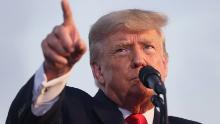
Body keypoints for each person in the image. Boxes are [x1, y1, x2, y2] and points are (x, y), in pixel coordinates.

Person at [6, 0, 201, 124]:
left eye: (148, 47)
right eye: (122, 49)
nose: (139, 60)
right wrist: (54, 70)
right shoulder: (68, 110)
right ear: (98, 71)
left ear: (164, 64)